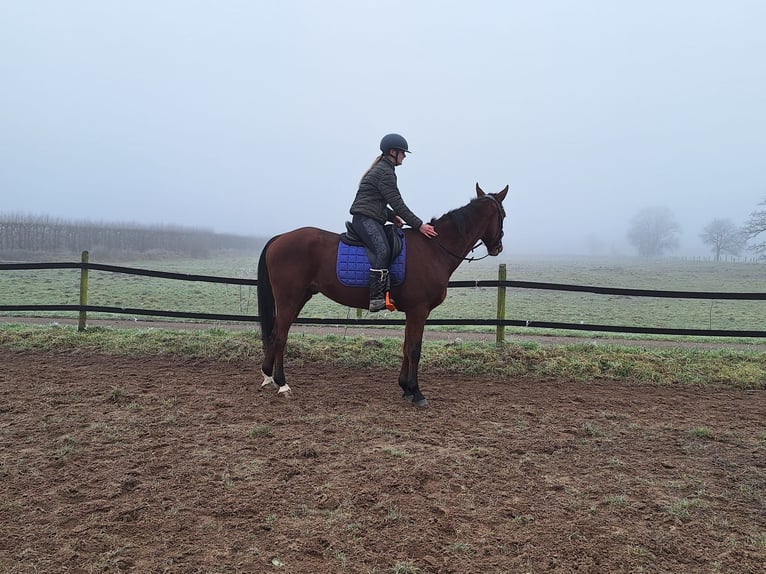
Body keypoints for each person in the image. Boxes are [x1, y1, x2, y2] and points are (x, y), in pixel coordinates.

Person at [349, 133, 438, 312]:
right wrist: (419, 225)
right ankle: (375, 298)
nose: (404, 156)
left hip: (372, 216)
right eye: (402, 153)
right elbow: (398, 203)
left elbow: (377, 201)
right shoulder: (384, 171)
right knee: (382, 249)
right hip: (365, 219)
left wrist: (392, 217)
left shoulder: (385, 169)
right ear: (392, 152)